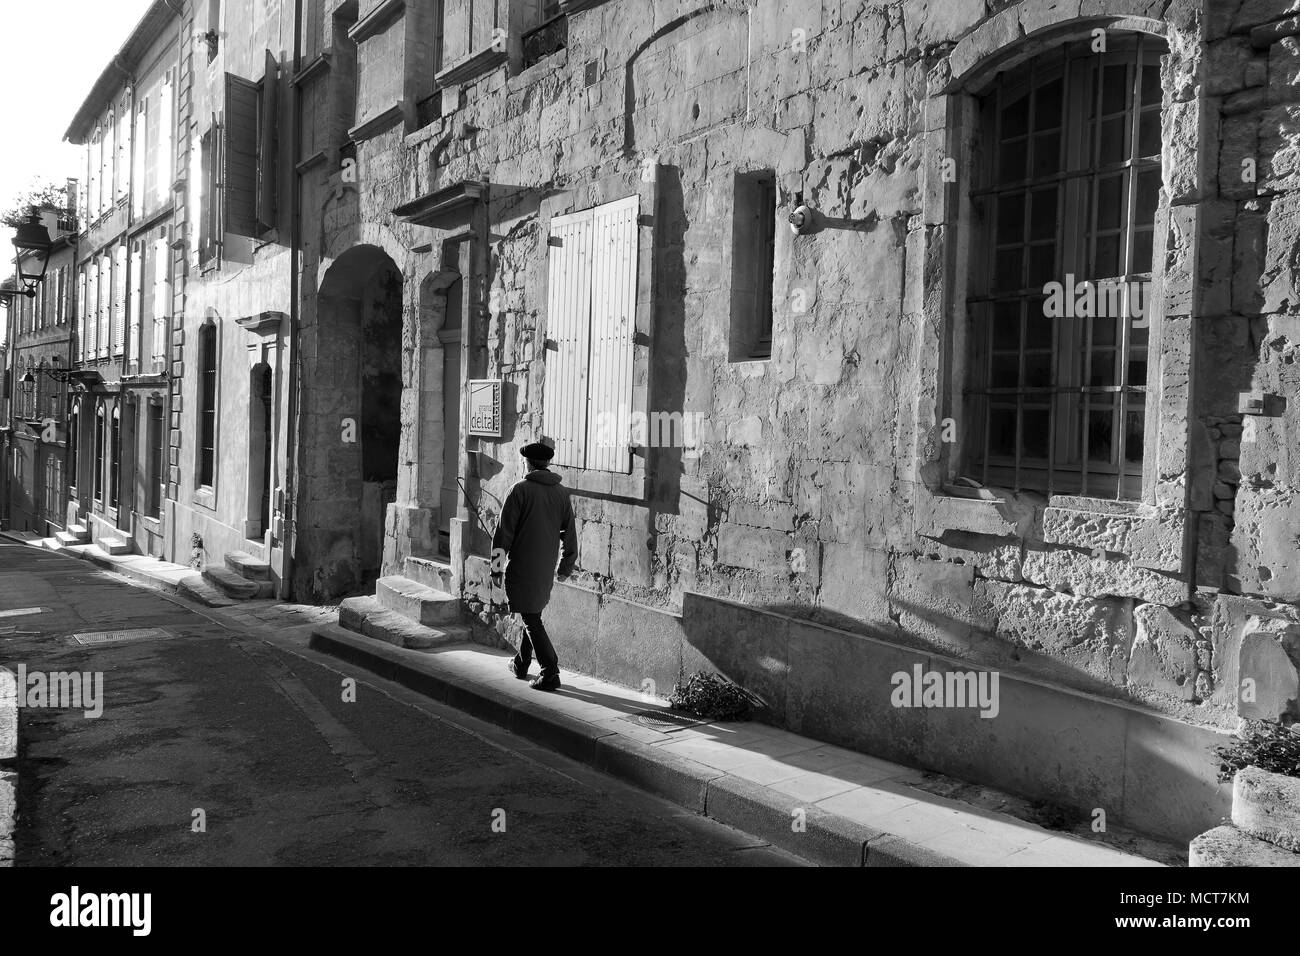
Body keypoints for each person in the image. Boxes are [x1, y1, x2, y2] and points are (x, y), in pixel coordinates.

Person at [491, 441, 578, 691]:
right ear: (547, 463)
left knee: (530, 618)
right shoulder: (561, 493)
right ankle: (521, 663)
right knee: (533, 614)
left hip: (522, 566)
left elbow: (502, 535)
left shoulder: (518, 490)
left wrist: (496, 567)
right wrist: (565, 566)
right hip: (545, 568)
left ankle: (550, 671)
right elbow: (569, 533)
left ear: (527, 463)